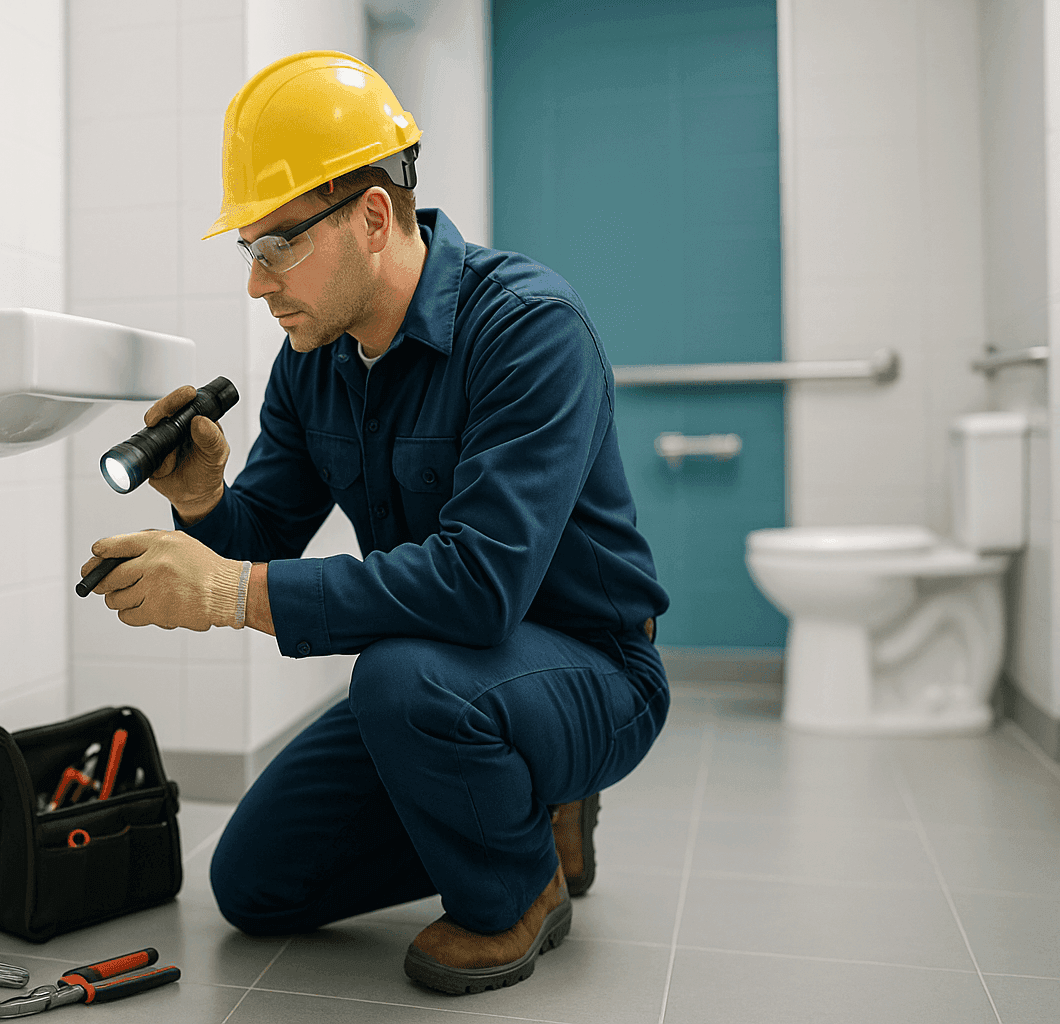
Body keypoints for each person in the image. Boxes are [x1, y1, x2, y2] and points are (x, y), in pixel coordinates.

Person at [80, 50, 670, 996]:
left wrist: (229, 591)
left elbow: (479, 588)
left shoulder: (529, 330)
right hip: (447, 678)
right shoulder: (313, 363)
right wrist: (202, 502)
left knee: (398, 676)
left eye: (278, 246)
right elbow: (263, 537)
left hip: (592, 668)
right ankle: (517, 799)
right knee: (255, 882)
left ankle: (521, 889)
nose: (258, 284)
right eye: (250, 250)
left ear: (372, 217)